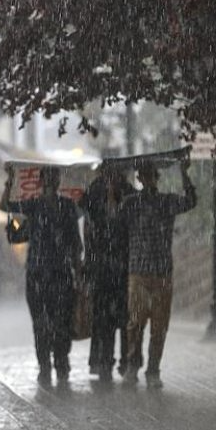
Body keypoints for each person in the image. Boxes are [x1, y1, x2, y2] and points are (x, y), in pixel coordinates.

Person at [0, 166, 83, 387]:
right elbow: (5, 206)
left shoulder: (67, 207)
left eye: (54, 178)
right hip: (37, 274)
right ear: (41, 181)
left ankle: (61, 362)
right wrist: (10, 182)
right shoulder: (33, 206)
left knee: (62, 322)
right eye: (48, 178)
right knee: (41, 323)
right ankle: (45, 365)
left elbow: (75, 243)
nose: (51, 182)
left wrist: (78, 270)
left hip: (62, 273)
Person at [121, 158, 196, 389]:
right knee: (135, 322)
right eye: (143, 175)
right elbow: (115, 219)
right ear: (139, 179)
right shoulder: (131, 203)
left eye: (151, 175)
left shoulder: (167, 201)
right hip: (139, 272)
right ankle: (133, 365)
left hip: (162, 272)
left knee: (159, 326)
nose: (148, 179)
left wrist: (185, 174)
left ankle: (153, 369)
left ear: (156, 177)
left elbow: (191, 201)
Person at [80, 164, 135, 382]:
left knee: (124, 318)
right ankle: (104, 361)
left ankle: (125, 360)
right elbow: (89, 222)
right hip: (102, 266)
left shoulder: (128, 193)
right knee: (103, 318)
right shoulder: (94, 192)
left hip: (122, 265)